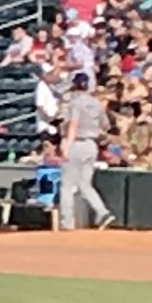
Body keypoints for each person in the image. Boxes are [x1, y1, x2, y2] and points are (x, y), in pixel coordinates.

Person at [54, 75, 112, 231]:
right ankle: (102, 211)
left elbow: (73, 125)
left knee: (67, 185)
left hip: (77, 143)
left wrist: (66, 146)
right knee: (85, 184)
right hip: (91, 145)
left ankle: (67, 222)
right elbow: (106, 125)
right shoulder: (96, 103)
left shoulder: (75, 102)